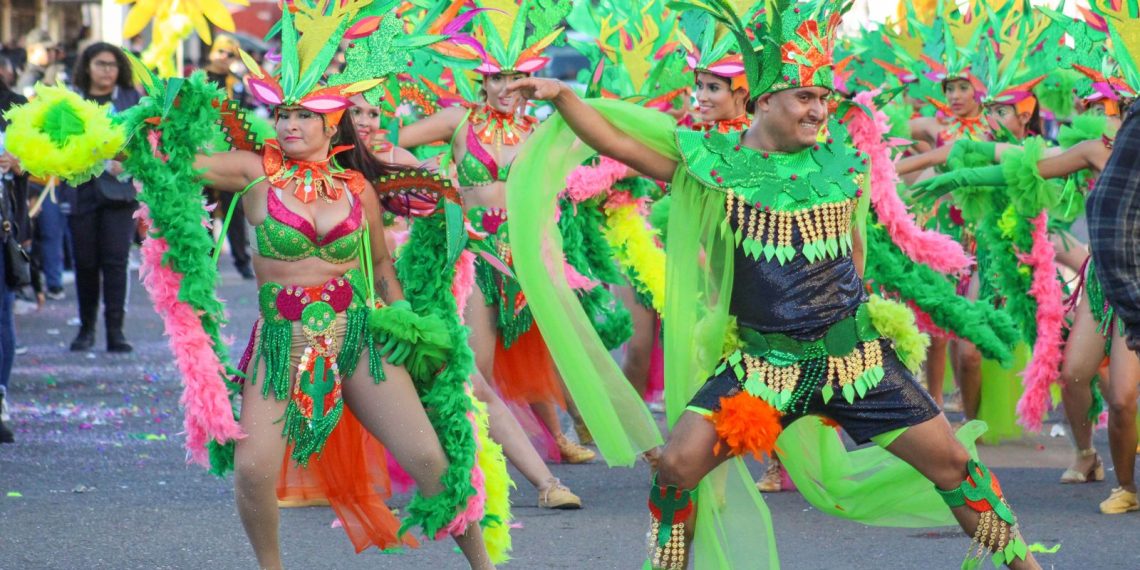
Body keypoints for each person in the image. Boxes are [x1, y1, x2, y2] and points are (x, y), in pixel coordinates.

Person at [506, 1, 1039, 568]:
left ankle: (1023, 563)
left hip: (855, 363)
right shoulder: (716, 166)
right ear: (764, 102)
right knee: (677, 469)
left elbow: (855, 257)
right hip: (764, 368)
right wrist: (563, 96)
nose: (818, 110)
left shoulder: (841, 165)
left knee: (955, 466)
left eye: (823, 98)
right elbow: (618, 144)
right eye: (804, 98)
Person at [117, 6, 498, 567]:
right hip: (283, 342)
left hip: (359, 340)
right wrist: (151, 120)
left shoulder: (357, 189)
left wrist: (419, 339)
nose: (290, 126)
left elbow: (383, 272)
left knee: (432, 460)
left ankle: (484, 566)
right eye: (284, 115)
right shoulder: (255, 174)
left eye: (304, 116)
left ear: (331, 122)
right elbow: (174, 160)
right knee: (253, 469)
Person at [397, 2, 597, 465]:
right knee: (477, 362)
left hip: (527, 253)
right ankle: (474, 452)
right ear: (482, 81)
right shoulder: (459, 122)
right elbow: (393, 143)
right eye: (496, 78)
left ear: (531, 79)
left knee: (538, 351)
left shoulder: (542, 130)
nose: (505, 88)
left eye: (514, 77)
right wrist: (428, 177)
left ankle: (557, 437)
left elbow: (593, 147)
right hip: (476, 255)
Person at [65, 43, 141, 352]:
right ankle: (86, 329)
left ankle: (115, 331)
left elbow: (145, 142)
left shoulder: (130, 99)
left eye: (112, 64)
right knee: (85, 263)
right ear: (86, 66)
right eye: (100, 64)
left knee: (116, 261)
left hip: (120, 192)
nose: (107, 70)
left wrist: (128, 159)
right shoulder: (72, 101)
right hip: (81, 190)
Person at [202, 34, 255, 280]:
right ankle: (206, 259)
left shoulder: (237, 82)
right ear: (213, 51)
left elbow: (243, 114)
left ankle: (241, 260)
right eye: (221, 51)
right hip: (203, 149)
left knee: (234, 208)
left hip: (229, 151)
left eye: (230, 54)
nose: (224, 57)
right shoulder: (198, 78)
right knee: (204, 208)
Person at [0, 70, 28, 443]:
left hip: (4, 225)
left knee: (2, 312)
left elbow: (41, 166)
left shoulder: (16, 108)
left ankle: (0, 396)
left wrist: (20, 163)